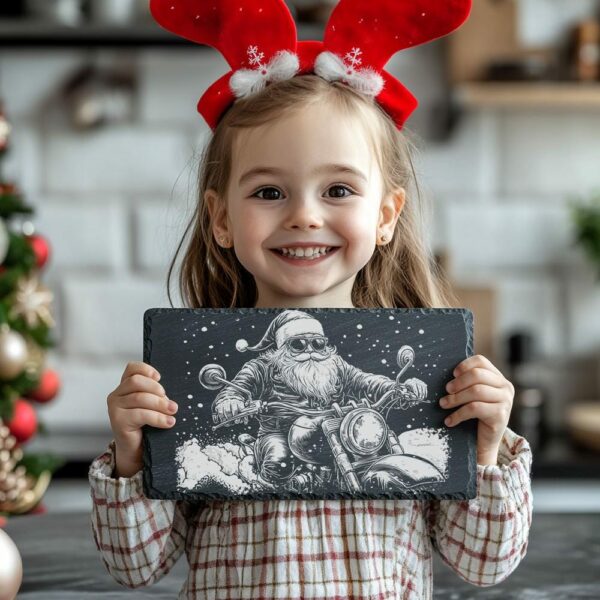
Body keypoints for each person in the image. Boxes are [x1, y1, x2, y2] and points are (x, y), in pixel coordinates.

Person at [88, 0, 533, 598]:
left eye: (339, 189)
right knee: (268, 450)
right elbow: (135, 566)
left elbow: (484, 563)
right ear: (221, 218)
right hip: (270, 434)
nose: (304, 215)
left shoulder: (428, 372)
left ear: (384, 215)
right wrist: (131, 455)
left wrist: (482, 446)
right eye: (269, 190)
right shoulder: (192, 375)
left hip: (352, 434)